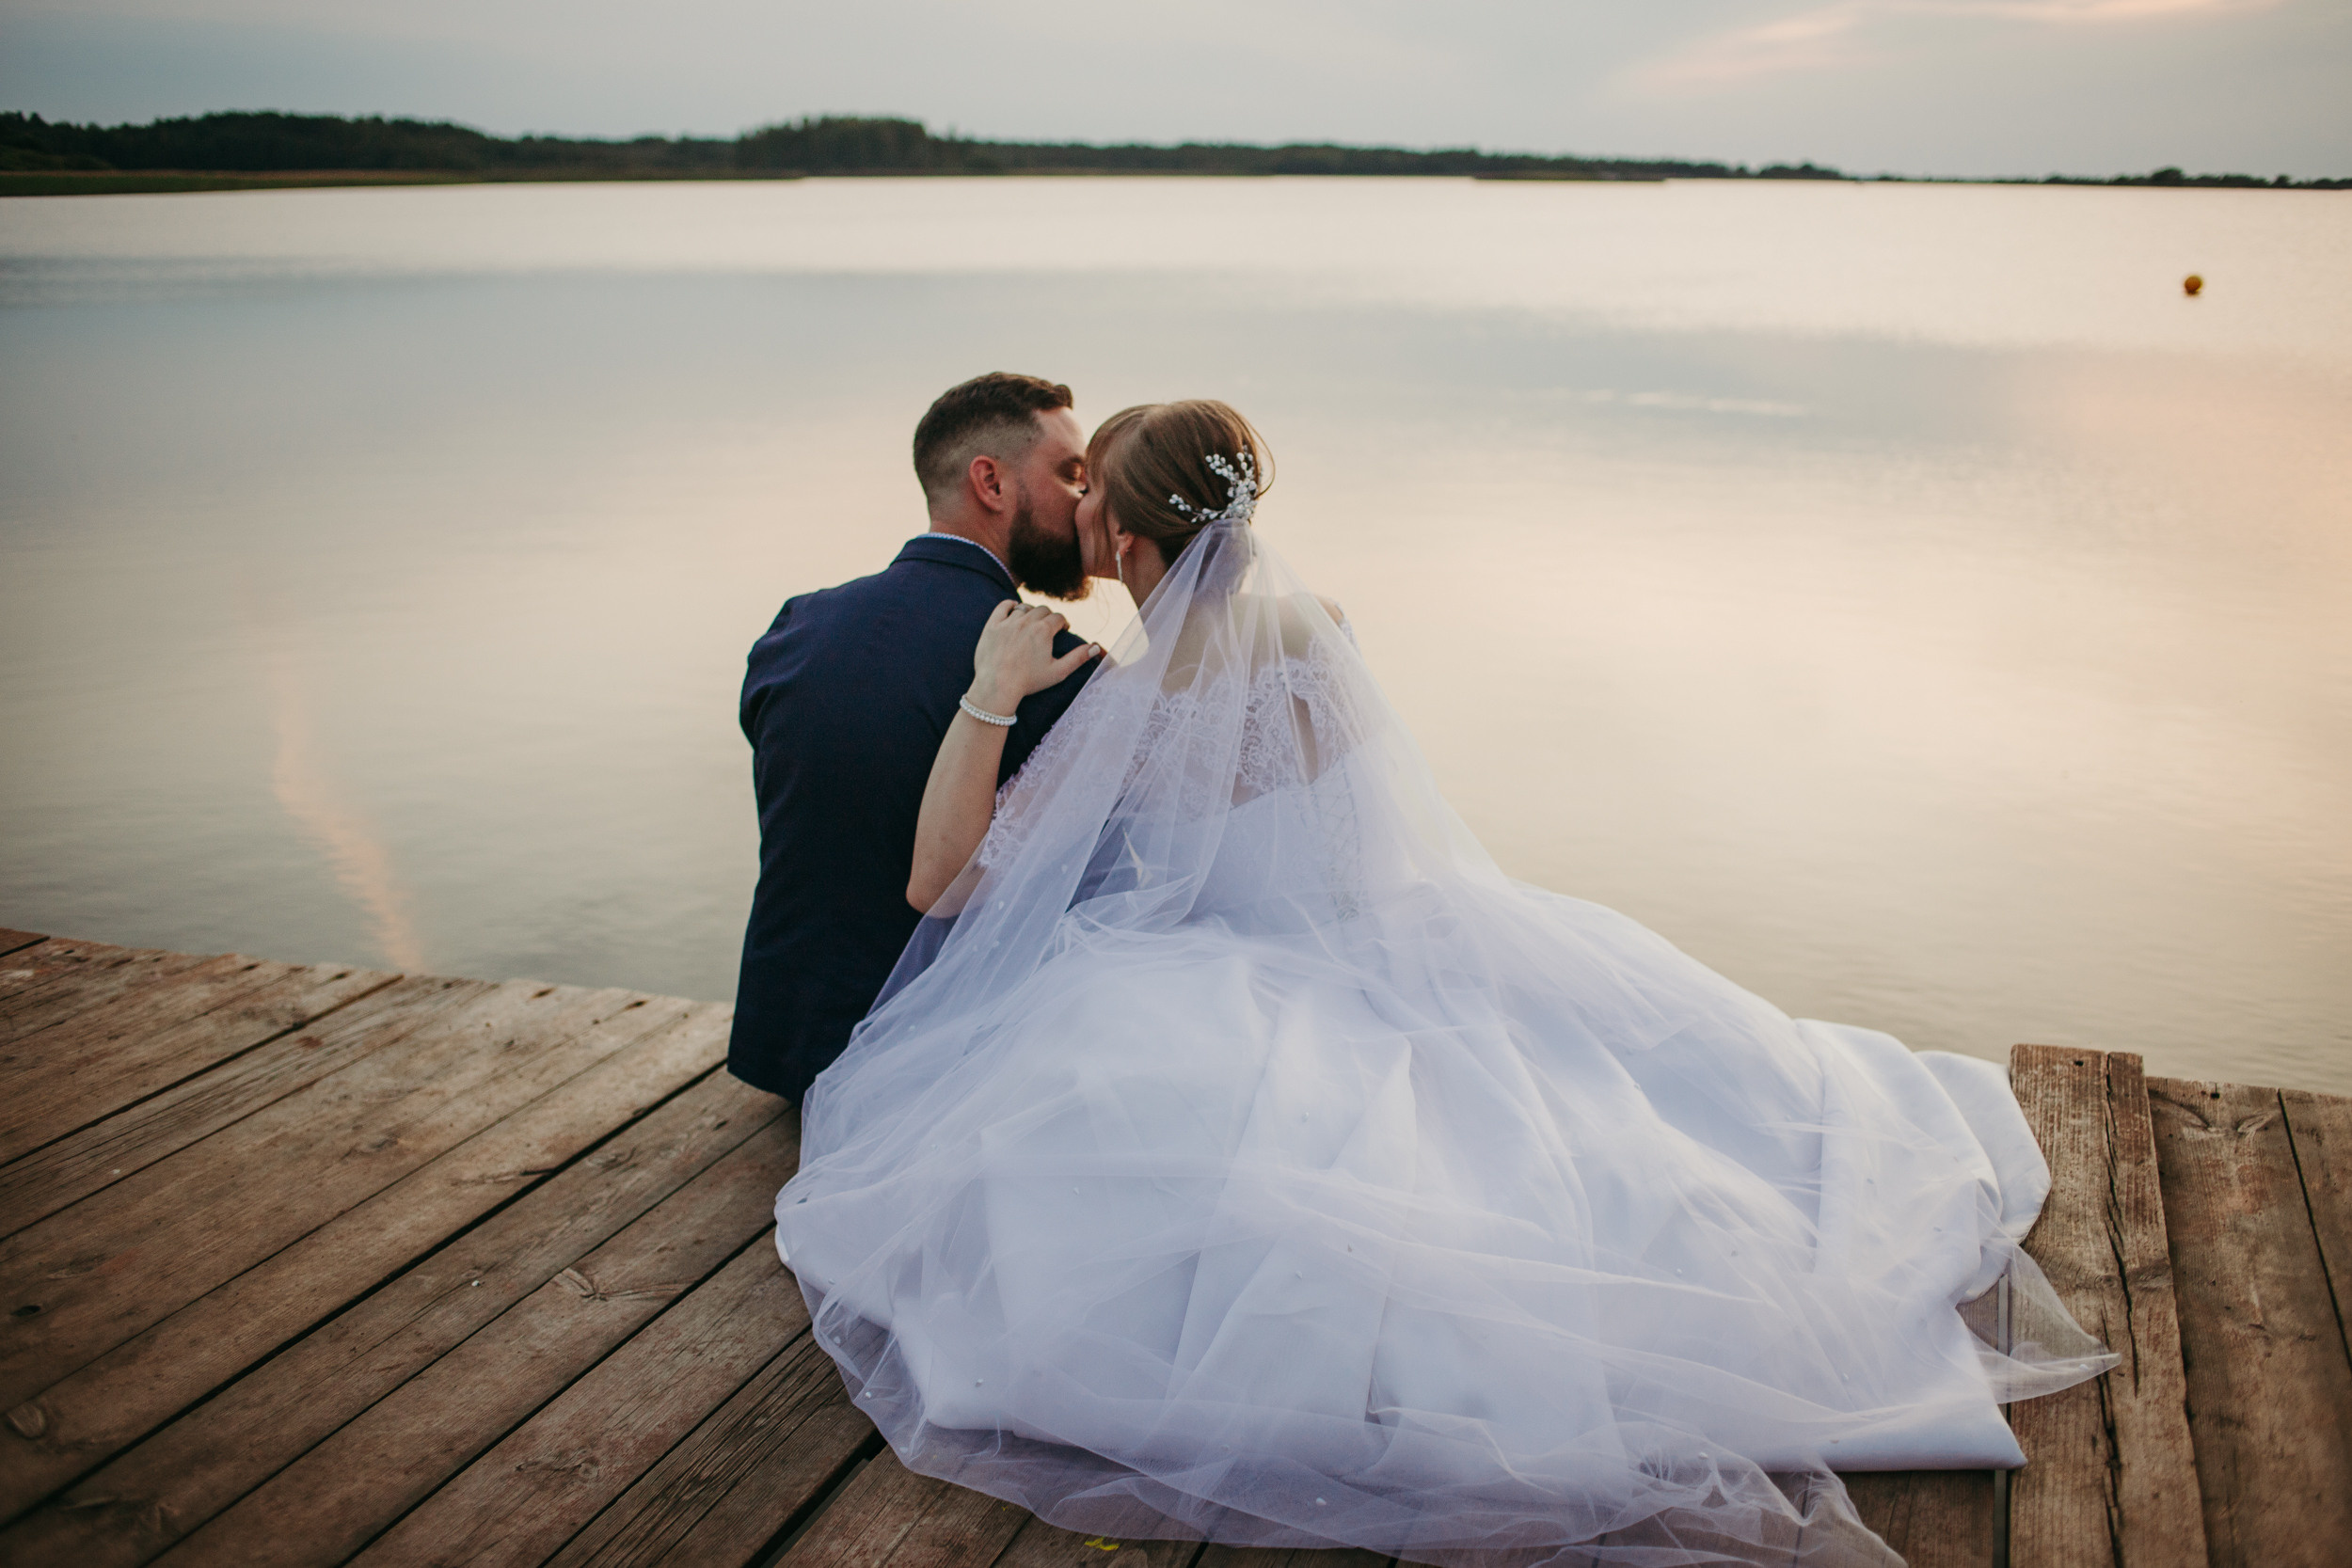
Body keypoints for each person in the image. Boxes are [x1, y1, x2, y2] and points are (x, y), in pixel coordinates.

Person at [773, 400, 2115, 1567]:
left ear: (1125, 540)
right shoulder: (1316, 624)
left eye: (1093, 493)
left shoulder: (1119, 698)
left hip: (1220, 983)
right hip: (1397, 939)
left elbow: (942, 886)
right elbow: (1343, 823)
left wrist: (993, 690)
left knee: (1077, 1147)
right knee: (1623, 1116)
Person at [727, 372, 1104, 1105]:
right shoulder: (1054, 666)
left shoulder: (795, 627)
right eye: (1069, 475)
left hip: (782, 1049)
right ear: (990, 482)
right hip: (927, 1076)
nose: (1085, 501)